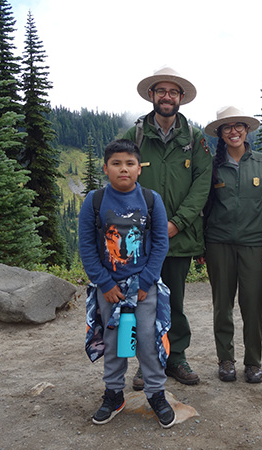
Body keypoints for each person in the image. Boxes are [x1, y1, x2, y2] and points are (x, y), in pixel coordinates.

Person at [122, 67, 212, 387]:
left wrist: (177, 222)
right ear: (151, 96)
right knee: (142, 299)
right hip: (141, 239)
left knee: (173, 300)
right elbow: (119, 178)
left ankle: (175, 358)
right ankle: (146, 361)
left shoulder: (195, 139)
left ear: (181, 98)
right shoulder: (134, 137)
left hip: (179, 236)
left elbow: (203, 184)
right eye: (161, 91)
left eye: (173, 92)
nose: (167, 97)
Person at [78, 139, 175, 428]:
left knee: (148, 340)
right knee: (112, 341)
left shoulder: (151, 199)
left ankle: (156, 393)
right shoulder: (94, 201)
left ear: (139, 168)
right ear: (106, 168)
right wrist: (104, 283)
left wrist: (146, 281)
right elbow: (86, 246)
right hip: (109, 289)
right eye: (116, 163)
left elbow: (159, 243)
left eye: (130, 163)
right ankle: (113, 394)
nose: (124, 169)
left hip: (144, 288)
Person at [199, 106, 262, 383]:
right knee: (222, 305)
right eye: (227, 127)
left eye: (238, 126)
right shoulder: (212, 166)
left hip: (254, 244)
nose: (233, 131)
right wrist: (201, 244)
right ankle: (226, 360)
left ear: (246, 130)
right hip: (218, 243)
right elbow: (202, 206)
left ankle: (253, 362)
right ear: (220, 134)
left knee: (253, 304)